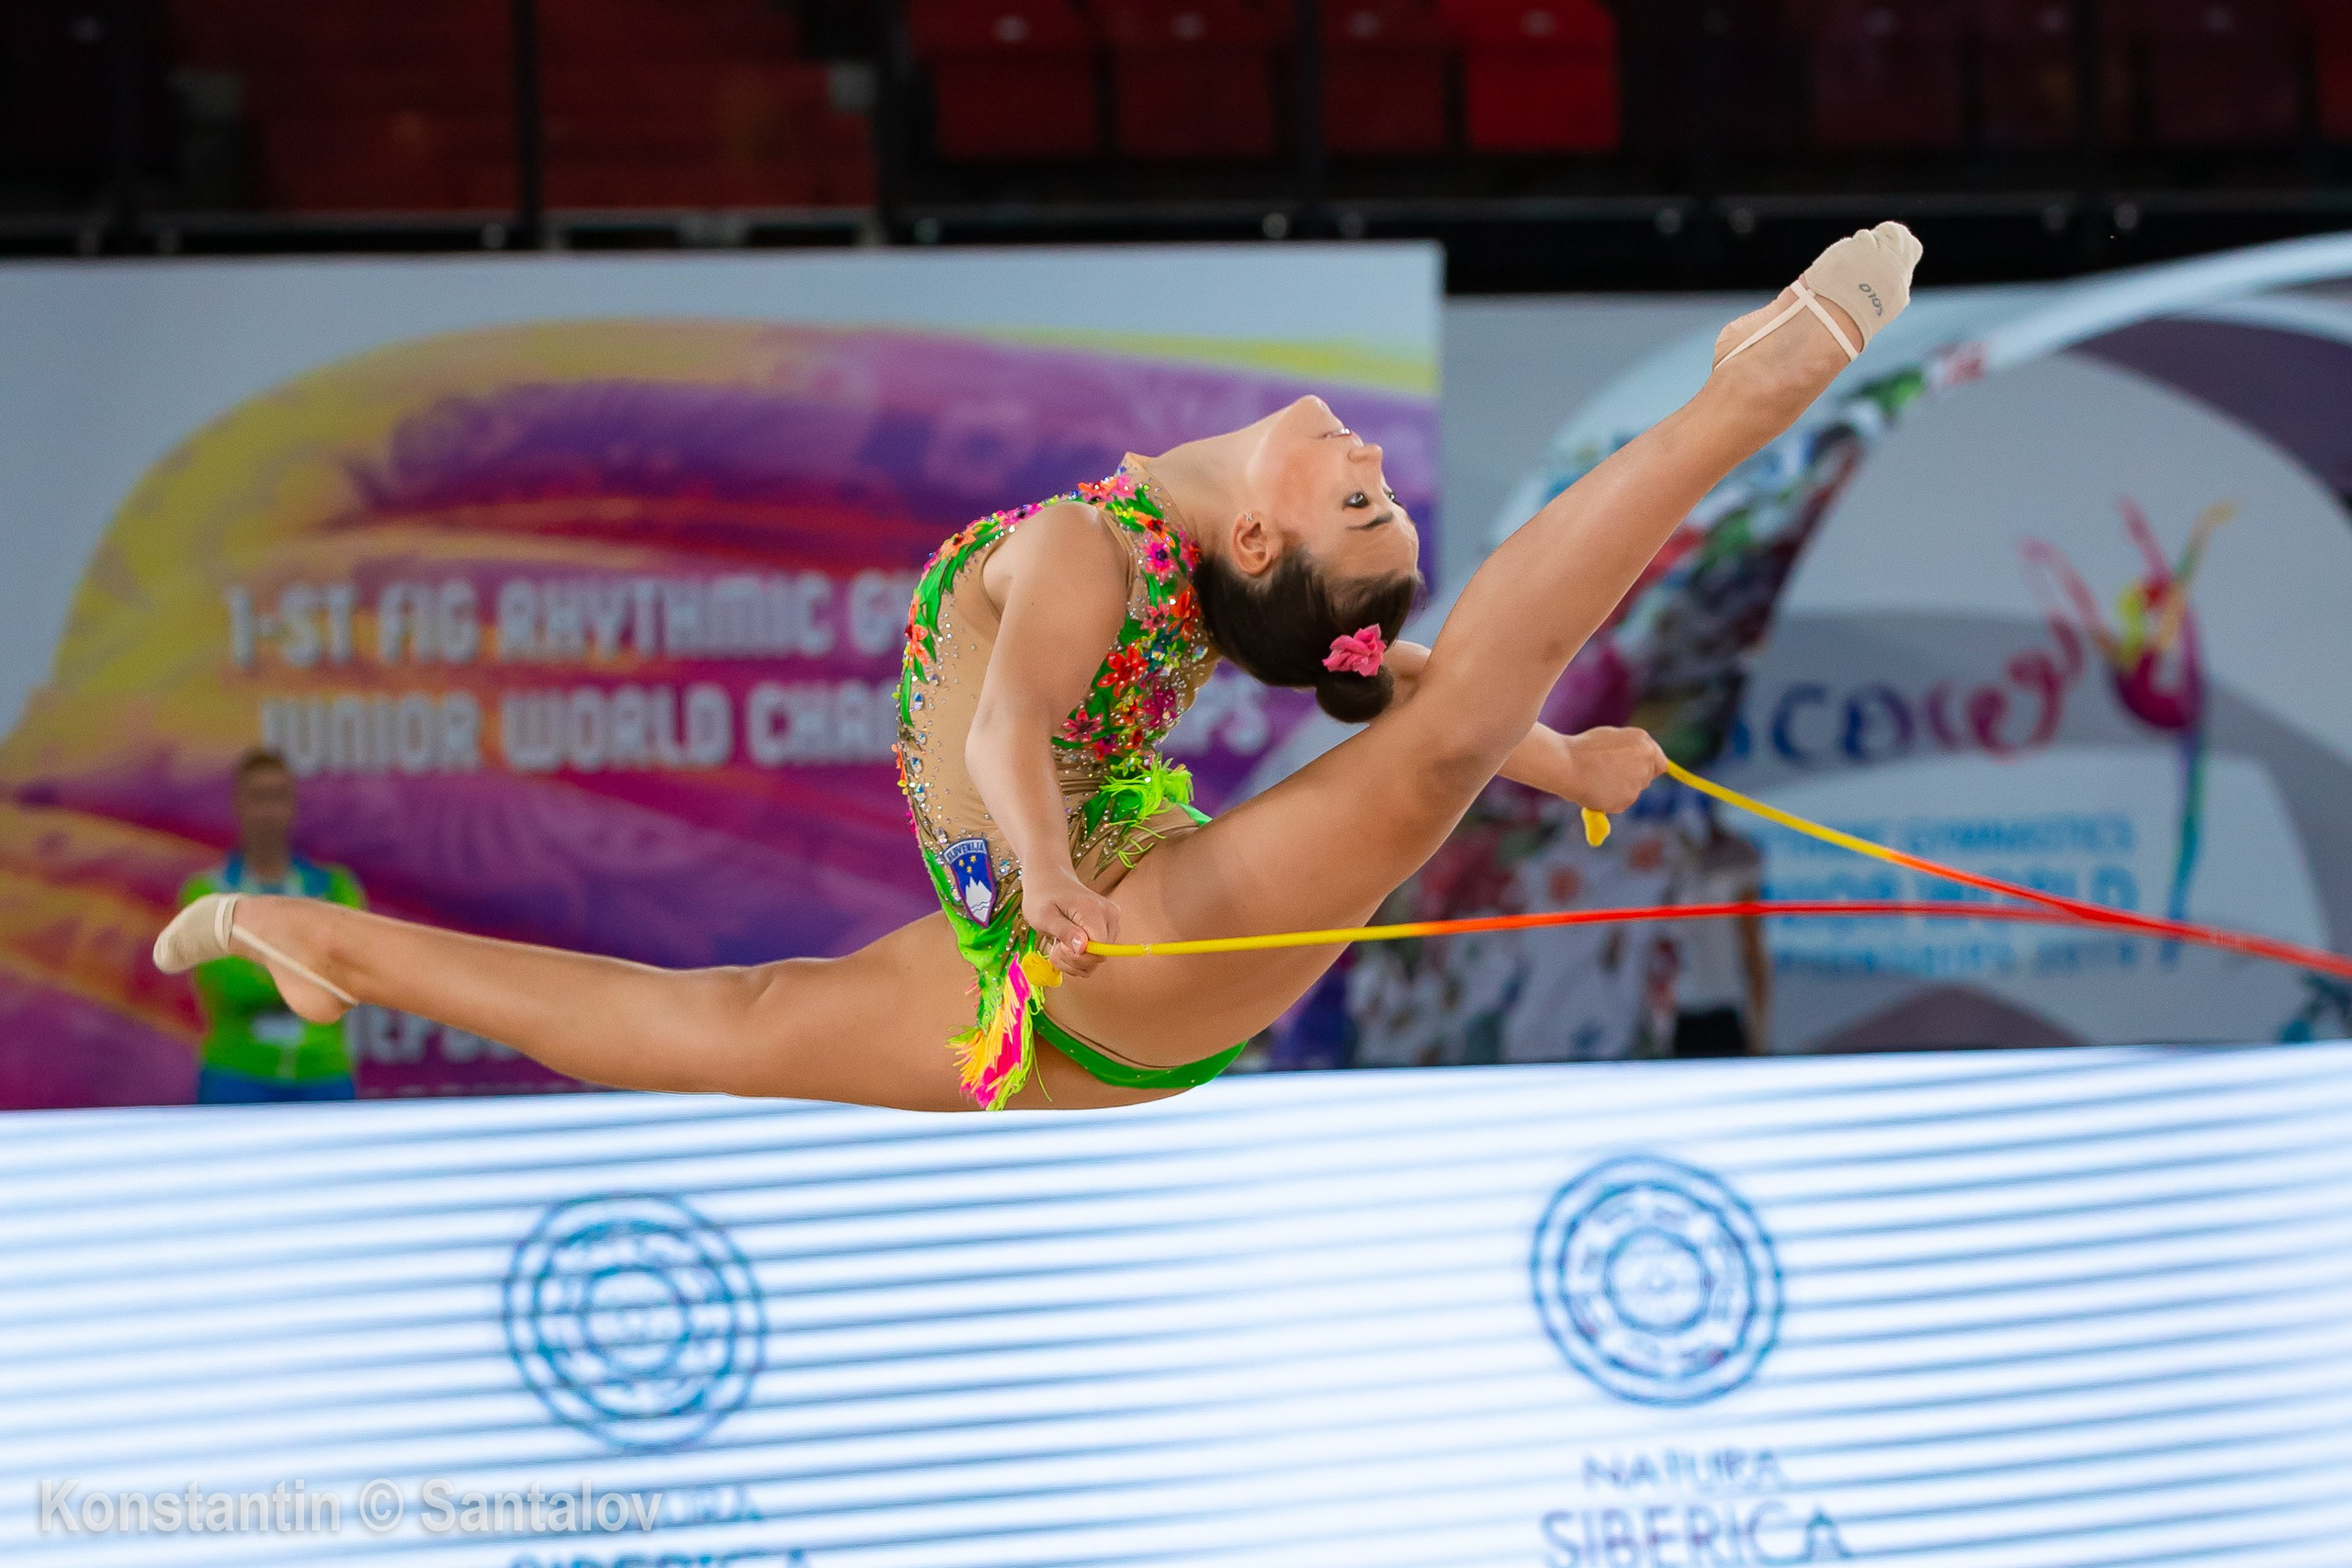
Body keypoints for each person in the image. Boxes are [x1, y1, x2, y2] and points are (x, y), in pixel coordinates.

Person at [155, 223, 1922, 1114]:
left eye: (1361, 498)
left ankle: (1747, 397)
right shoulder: (1126, 555)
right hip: (1084, 953)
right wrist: (1056, 874)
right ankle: (294, 933)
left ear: (1259, 542)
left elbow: (1310, 686)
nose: (1371, 461)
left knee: (1452, 726)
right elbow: (1046, 733)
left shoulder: (1117, 550)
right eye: (1381, 496)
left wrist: (1565, 762)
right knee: (711, 1027)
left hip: (1098, 946)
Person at [176, 749, 368, 1103]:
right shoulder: (205, 893)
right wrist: (307, 970)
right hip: (236, 1074)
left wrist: (259, 964)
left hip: (323, 1073)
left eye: (277, 797)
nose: (267, 810)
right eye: (257, 798)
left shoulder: (335, 889)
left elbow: (347, 974)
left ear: (293, 806)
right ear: (238, 805)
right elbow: (229, 983)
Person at [1667, 797, 1770, 1057]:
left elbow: (1752, 945)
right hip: (1678, 1012)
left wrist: (1759, 1028)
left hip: (1723, 1008)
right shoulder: (1667, 861)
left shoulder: (1739, 859)